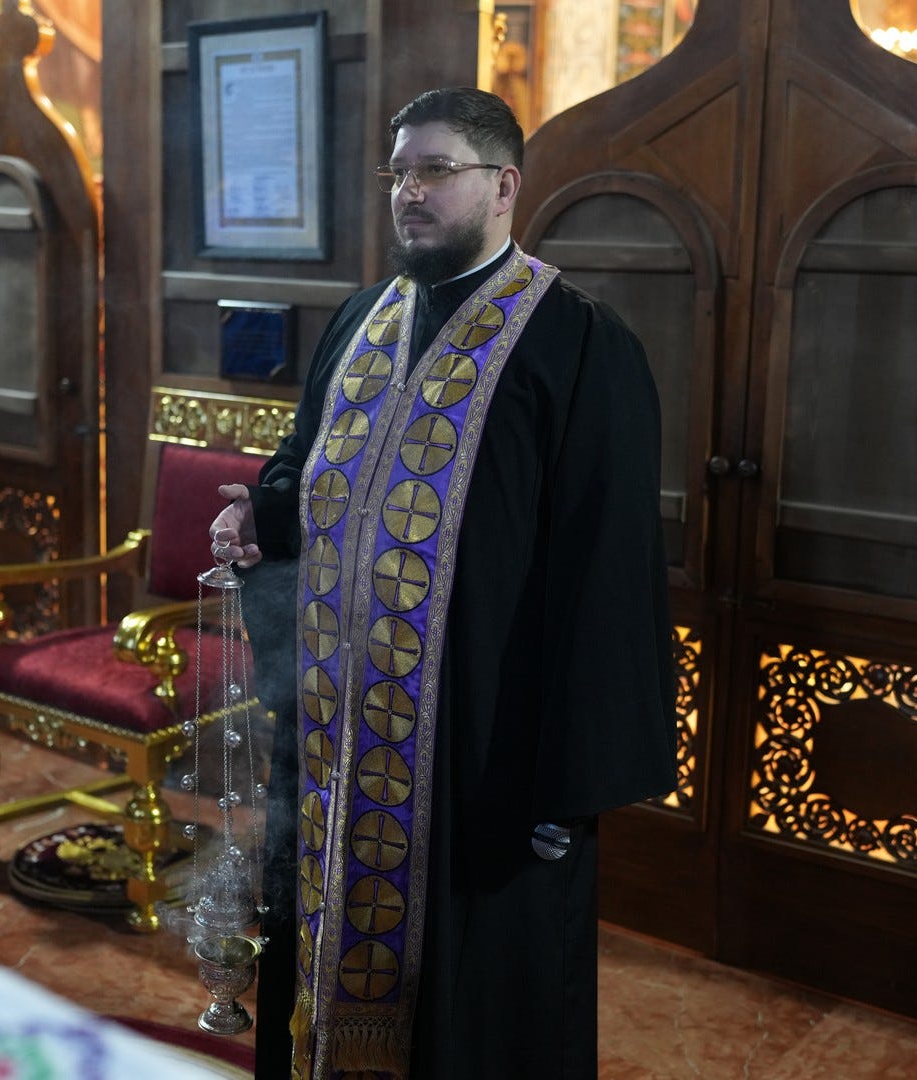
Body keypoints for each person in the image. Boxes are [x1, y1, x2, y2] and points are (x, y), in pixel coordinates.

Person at [211, 86, 677, 1080]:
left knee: (468, 1021)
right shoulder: (359, 320)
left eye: (434, 170)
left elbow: (607, 577)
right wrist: (263, 514)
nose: (408, 192)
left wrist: (569, 787)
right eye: (398, 172)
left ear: (504, 186)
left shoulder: (580, 345)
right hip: (336, 735)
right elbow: (307, 464)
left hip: (479, 759)